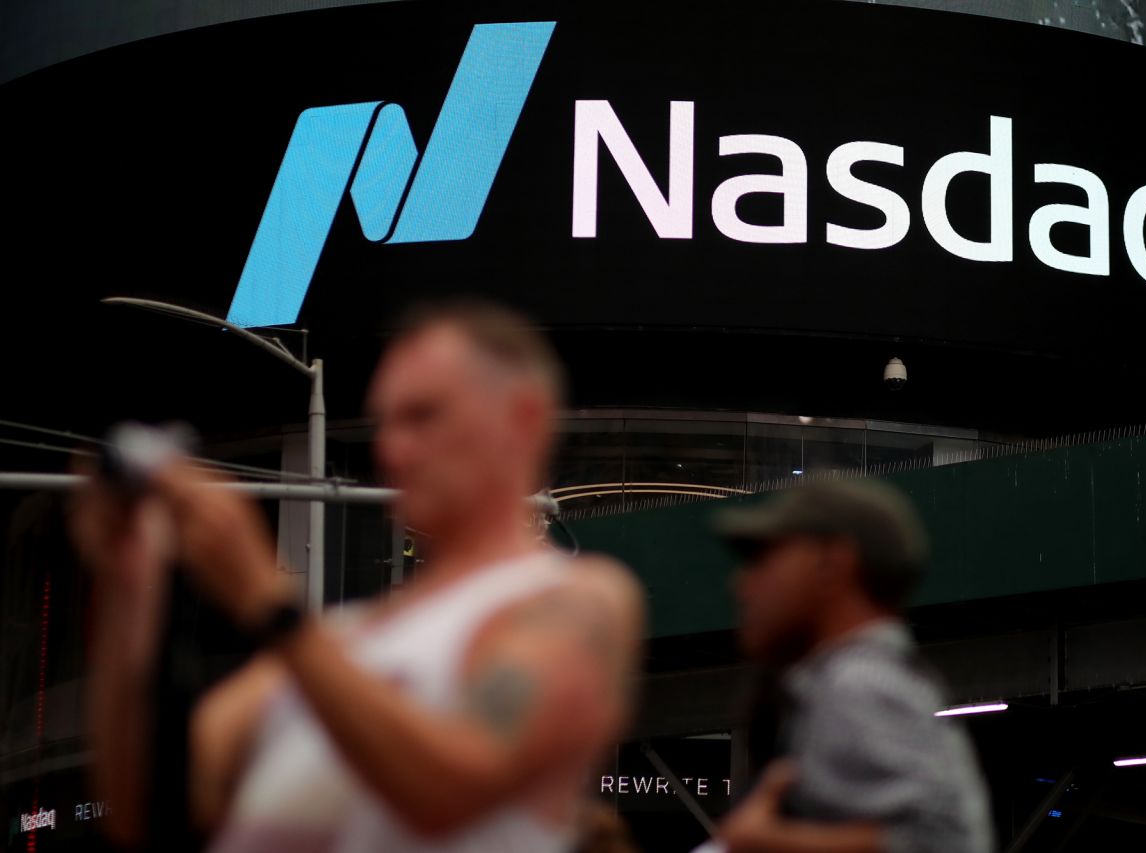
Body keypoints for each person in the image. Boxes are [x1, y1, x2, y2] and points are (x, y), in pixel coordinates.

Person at [72, 301, 645, 852]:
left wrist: (267, 601)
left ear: (524, 419)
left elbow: (449, 788)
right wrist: (131, 589)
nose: (392, 450)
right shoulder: (339, 638)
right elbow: (143, 808)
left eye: (423, 416)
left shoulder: (574, 600)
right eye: (385, 424)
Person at [705, 479, 993, 853]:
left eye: (762, 558)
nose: (741, 582)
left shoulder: (857, 683)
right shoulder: (852, 677)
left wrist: (763, 843)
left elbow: (942, 842)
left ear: (831, 561)